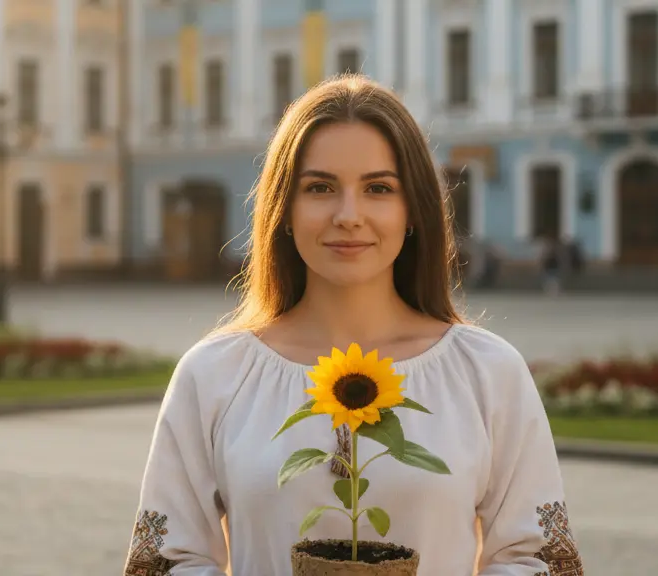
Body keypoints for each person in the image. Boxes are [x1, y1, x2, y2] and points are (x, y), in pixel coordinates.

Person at [123, 75, 584, 576]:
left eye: (378, 188)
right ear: (284, 210)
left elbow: (535, 558)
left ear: (413, 211)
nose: (348, 215)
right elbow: (169, 561)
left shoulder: (487, 373)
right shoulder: (215, 375)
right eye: (319, 187)